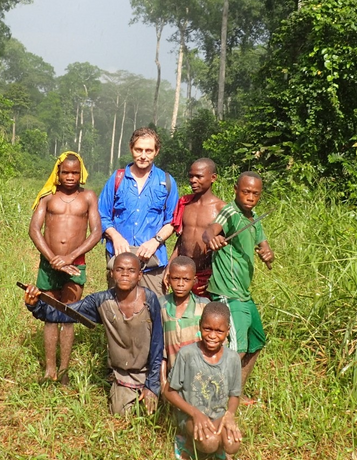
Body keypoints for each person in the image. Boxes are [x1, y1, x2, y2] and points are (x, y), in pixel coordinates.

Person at [23, 252, 163, 416]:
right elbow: (64, 313)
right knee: (121, 414)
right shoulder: (101, 301)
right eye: (120, 269)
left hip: (151, 372)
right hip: (124, 375)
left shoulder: (150, 299)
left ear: (139, 276)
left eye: (131, 270)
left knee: (157, 413)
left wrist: (152, 385)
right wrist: (36, 305)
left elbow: (157, 343)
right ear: (112, 273)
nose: (125, 274)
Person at [29, 151, 102, 385]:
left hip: (75, 265)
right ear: (58, 174)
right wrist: (52, 258)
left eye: (75, 172)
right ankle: (49, 370)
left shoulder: (89, 197)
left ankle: (64, 371)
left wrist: (70, 257)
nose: (70, 176)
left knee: (69, 315)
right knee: (50, 316)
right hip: (49, 265)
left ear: (81, 174)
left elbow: (96, 232)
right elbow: (34, 230)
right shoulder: (47, 198)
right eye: (65, 172)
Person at [203, 171, 274, 404]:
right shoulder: (230, 212)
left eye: (255, 193)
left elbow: (264, 246)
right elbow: (211, 230)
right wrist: (211, 238)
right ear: (236, 189)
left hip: (244, 294)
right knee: (237, 348)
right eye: (246, 191)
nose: (250, 197)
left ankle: (236, 393)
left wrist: (267, 254)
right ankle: (216, 399)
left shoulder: (253, 218)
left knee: (256, 341)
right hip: (227, 293)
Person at [98, 127, 179, 295]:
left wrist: (155, 241)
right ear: (131, 148)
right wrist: (116, 236)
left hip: (152, 261)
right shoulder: (117, 179)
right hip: (119, 258)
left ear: (156, 151)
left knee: (154, 311)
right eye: (138, 150)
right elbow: (102, 215)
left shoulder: (167, 181)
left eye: (148, 150)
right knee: (117, 310)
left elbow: (172, 220)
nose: (143, 155)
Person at [163, 302, 242, 460]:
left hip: (218, 414)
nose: (212, 335)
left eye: (219, 331)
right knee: (209, 443)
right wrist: (195, 413)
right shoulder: (187, 354)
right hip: (190, 416)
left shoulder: (232, 358)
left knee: (233, 444)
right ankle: (187, 442)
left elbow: (235, 394)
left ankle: (220, 448)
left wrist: (230, 415)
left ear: (227, 331)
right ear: (200, 326)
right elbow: (169, 392)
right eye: (207, 329)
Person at [167, 158, 225, 297]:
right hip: (182, 272)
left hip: (206, 275)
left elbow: (228, 248)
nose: (193, 180)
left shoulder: (221, 208)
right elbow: (181, 241)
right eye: (191, 176)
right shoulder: (185, 204)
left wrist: (215, 278)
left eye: (198, 176)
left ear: (213, 178)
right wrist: (169, 267)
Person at [159, 256, 209, 384]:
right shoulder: (161, 306)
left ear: (195, 280)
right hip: (172, 377)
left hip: (200, 376)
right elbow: (159, 347)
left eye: (186, 279)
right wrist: (163, 381)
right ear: (169, 279)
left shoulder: (203, 306)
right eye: (176, 278)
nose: (180, 284)